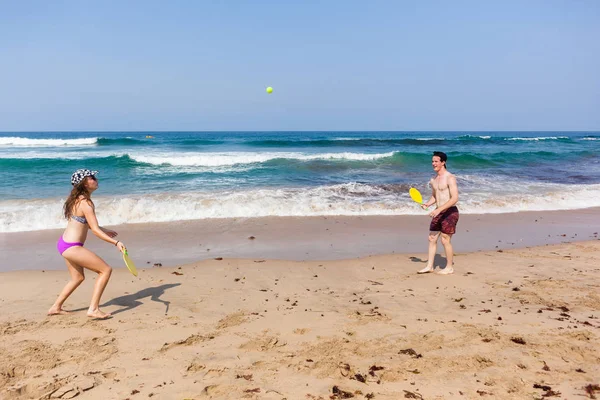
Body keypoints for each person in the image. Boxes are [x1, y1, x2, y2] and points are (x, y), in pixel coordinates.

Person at [48, 169, 126, 319]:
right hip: (72, 247)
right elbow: (95, 230)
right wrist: (116, 242)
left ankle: (55, 307)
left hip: (64, 244)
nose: (96, 179)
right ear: (84, 183)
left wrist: (105, 230)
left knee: (77, 278)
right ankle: (93, 309)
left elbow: (86, 224)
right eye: (92, 177)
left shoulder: (76, 199)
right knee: (105, 270)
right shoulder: (86, 203)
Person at [418, 151, 459, 275]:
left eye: (436, 161)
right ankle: (429, 266)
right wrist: (427, 204)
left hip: (450, 212)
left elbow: (454, 198)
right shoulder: (433, 179)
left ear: (443, 162)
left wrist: (438, 210)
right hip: (438, 212)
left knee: (445, 240)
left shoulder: (450, 177)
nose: (433, 163)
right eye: (432, 161)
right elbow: (435, 197)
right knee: (432, 238)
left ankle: (449, 267)